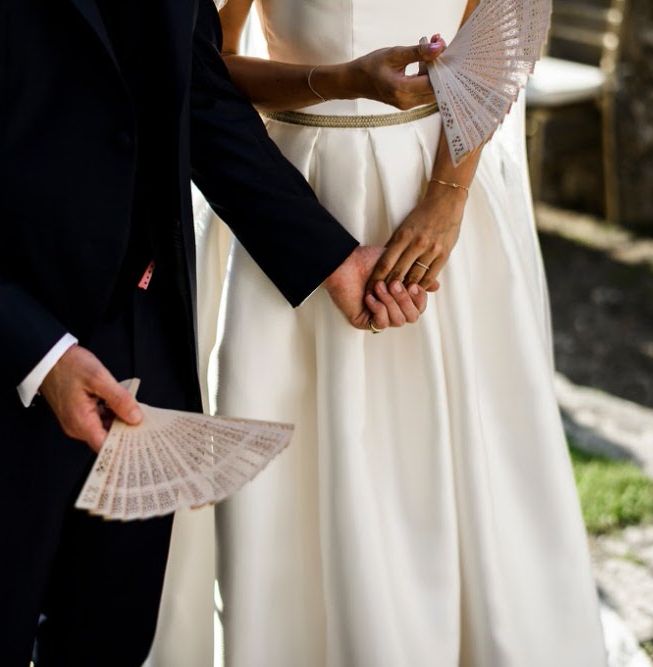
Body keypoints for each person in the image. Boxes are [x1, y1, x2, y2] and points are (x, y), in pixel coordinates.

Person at [0, 1, 426, 665]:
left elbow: (192, 89)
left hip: (147, 344)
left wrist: (329, 258)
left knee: (112, 634)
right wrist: (38, 354)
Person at [175, 0, 608, 664]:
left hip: (431, 178)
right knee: (292, 445)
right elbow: (208, 71)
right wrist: (338, 80)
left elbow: (503, 31)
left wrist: (446, 196)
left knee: (449, 437)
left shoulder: (443, 194)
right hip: (292, 195)